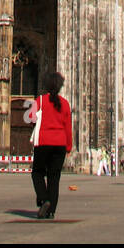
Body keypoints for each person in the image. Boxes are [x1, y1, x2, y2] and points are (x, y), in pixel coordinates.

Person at [29, 71, 73, 219]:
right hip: (60, 143)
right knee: (54, 177)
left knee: (37, 172)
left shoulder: (40, 101)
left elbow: (31, 118)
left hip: (43, 142)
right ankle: (51, 210)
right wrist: (68, 146)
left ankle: (43, 199)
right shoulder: (65, 103)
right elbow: (68, 126)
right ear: (60, 87)